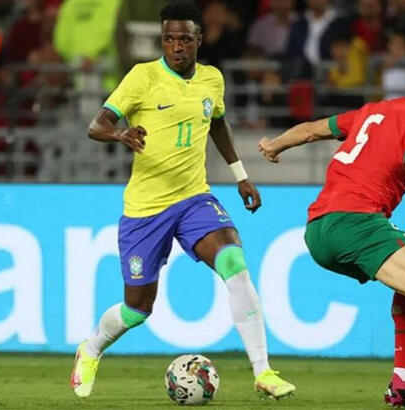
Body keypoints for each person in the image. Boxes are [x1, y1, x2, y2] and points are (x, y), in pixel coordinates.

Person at [73, 1, 295, 401]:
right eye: (169, 39)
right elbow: (96, 125)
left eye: (185, 39)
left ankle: (263, 371)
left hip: (194, 197)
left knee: (235, 264)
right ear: (162, 39)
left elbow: (217, 123)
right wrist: (120, 134)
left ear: (199, 40)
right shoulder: (142, 76)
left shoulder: (212, 79)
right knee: (136, 310)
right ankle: (90, 350)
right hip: (146, 209)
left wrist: (241, 175)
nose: (176, 46)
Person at [258, 53, 405, 410]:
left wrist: (274, 145)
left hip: (319, 228)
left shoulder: (371, 111)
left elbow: (312, 129)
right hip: (356, 222)